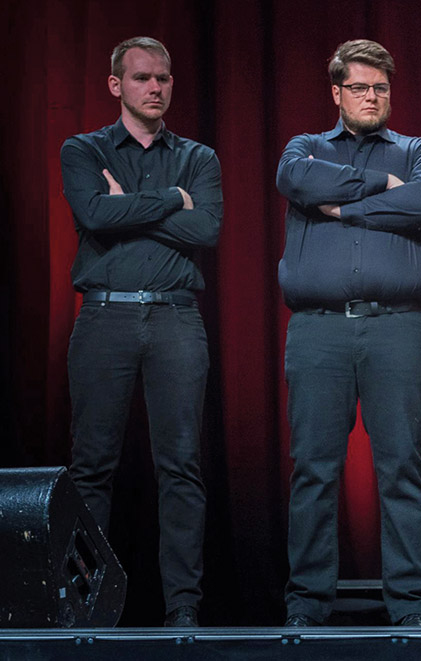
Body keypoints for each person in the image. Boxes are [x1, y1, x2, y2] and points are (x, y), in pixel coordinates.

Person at [277, 39, 421, 627]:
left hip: (397, 330)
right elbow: (296, 180)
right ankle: (306, 606)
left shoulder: (417, 151)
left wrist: (346, 207)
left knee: (402, 467)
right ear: (337, 93)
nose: (371, 97)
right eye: (359, 87)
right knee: (314, 470)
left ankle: (409, 608)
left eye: (380, 88)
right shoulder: (305, 149)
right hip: (318, 331)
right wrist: (383, 190)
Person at [60, 36, 222, 628]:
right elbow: (93, 215)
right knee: (91, 467)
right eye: (142, 78)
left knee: (181, 466)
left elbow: (206, 230)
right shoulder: (83, 149)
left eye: (163, 78)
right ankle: (84, 608)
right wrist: (169, 203)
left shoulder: (199, 159)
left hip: (176, 317)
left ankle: (183, 610)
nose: (155, 88)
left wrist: (131, 205)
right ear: (116, 85)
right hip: (104, 317)